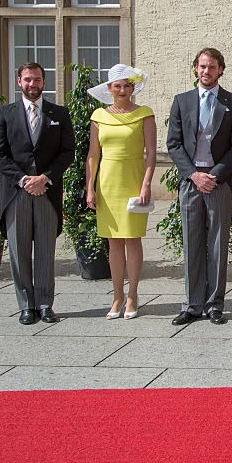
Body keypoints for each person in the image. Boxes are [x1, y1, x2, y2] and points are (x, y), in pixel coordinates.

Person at [0, 62, 74, 325]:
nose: (32, 84)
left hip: (47, 192)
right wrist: (25, 179)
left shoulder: (59, 113)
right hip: (17, 193)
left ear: (43, 82)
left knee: (46, 250)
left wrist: (45, 178)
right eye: (27, 80)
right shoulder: (5, 114)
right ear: (19, 82)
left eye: (37, 79)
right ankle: (26, 305)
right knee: (19, 250)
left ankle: (46, 304)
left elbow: (67, 152)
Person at [167, 48, 232, 326]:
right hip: (191, 182)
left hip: (218, 181)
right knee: (192, 243)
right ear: (195, 69)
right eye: (202, 66)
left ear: (221, 69)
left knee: (217, 243)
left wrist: (214, 175)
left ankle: (214, 304)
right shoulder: (182, 101)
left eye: (212, 67)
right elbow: (174, 144)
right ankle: (191, 305)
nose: (206, 71)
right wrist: (193, 175)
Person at [85, 64, 156, 320]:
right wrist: (90, 187)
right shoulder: (98, 116)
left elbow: (150, 155)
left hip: (133, 180)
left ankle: (133, 294)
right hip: (108, 183)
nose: (123, 90)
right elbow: (93, 155)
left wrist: (147, 184)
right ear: (109, 89)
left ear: (133, 87)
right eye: (118, 86)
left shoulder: (145, 114)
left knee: (132, 239)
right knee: (113, 242)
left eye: (128, 85)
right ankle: (116, 295)